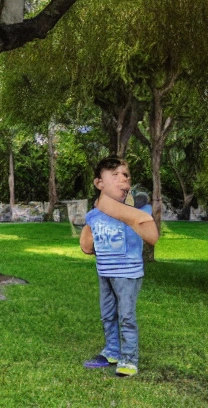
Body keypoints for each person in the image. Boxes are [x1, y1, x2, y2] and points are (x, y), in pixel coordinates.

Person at [80, 157, 159, 377]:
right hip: (104, 272)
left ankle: (129, 359)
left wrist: (127, 210)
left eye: (126, 175)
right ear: (99, 184)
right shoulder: (94, 215)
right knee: (107, 315)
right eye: (114, 175)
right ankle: (112, 351)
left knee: (126, 316)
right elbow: (87, 247)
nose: (122, 179)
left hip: (128, 274)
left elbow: (151, 236)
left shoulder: (139, 209)